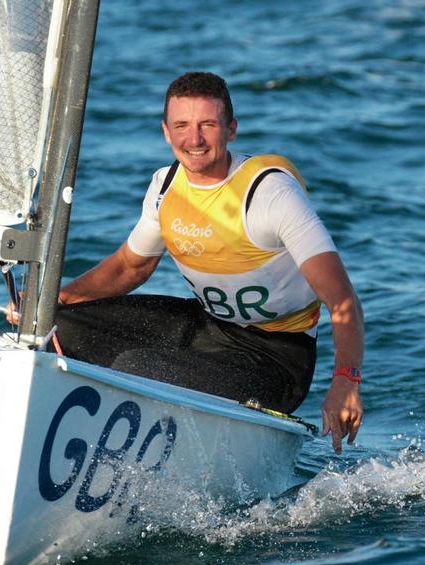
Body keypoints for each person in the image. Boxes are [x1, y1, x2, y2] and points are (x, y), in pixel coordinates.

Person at [53, 71, 364, 453]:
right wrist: (56, 299)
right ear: (166, 132)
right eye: (182, 125)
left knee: (138, 366)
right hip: (210, 329)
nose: (194, 139)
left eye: (208, 125)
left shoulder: (269, 194)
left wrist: (345, 382)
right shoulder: (165, 186)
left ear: (231, 129)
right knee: (53, 327)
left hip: (278, 357)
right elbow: (130, 267)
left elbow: (342, 300)